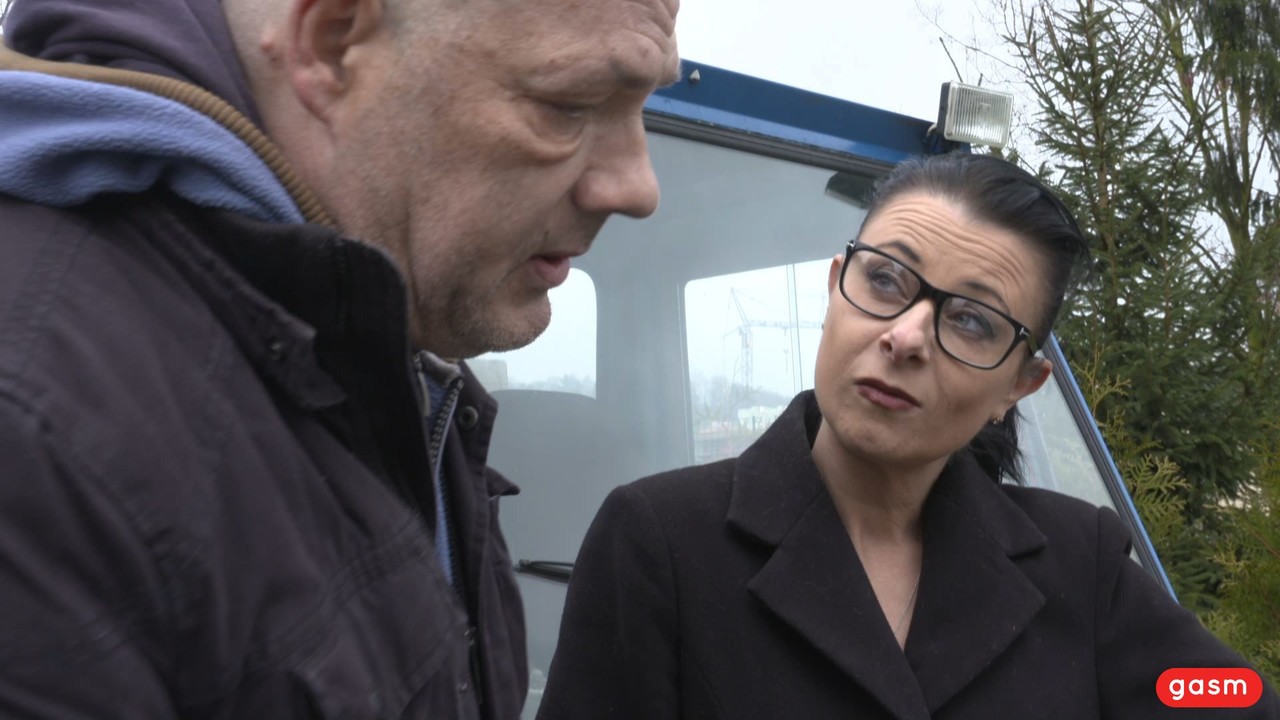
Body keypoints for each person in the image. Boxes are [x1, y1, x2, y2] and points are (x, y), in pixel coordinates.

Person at [0, 0, 679, 716]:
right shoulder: (36, 433)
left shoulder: (386, 352)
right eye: (569, 105)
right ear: (332, 45)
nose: (638, 187)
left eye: (640, 107)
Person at [536, 153, 1280, 719]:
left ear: (1019, 386)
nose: (906, 336)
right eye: (886, 280)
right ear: (836, 286)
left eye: (972, 320)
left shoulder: (1077, 561)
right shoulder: (662, 541)